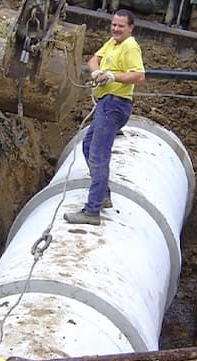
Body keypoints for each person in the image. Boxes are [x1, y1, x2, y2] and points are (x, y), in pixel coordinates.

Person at [64, 9, 146, 226]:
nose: (116, 29)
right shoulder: (113, 43)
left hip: (114, 104)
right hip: (105, 104)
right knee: (88, 146)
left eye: (121, 26)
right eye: (114, 24)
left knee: (98, 156)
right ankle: (104, 195)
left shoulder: (130, 46)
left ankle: (92, 211)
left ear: (130, 28)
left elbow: (139, 75)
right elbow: (93, 60)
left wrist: (112, 75)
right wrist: (96, 71)